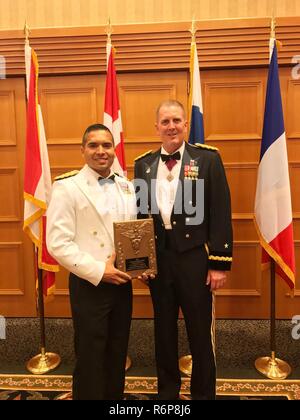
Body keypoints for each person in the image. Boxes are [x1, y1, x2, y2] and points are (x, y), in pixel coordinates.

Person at [134, 100, 233, 400]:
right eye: (165, 121)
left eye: (177, 120)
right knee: (163, 333)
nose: (171, 126)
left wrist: (219, 263)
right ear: (157, 127)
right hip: (159, 261)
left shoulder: (207, 159)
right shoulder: (144, 164)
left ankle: (204, 395)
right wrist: (140, 261)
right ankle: (167, 394)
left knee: (200, 333)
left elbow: (220, 211)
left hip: (194, 259)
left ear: (186, 125)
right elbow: (140, 216)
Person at [46, 123, 137, 400]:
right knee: (90, 353)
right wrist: (99, 271)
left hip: (122, 283)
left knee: (118, 350)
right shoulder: (67, 187)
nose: (101, 151)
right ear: (83, 150)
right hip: (90, 282)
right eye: (94, 145)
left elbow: (131, 233)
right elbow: (58, 243)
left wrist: (139, 265)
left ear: (114, 149)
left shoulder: (126, 186)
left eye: (107, 145)